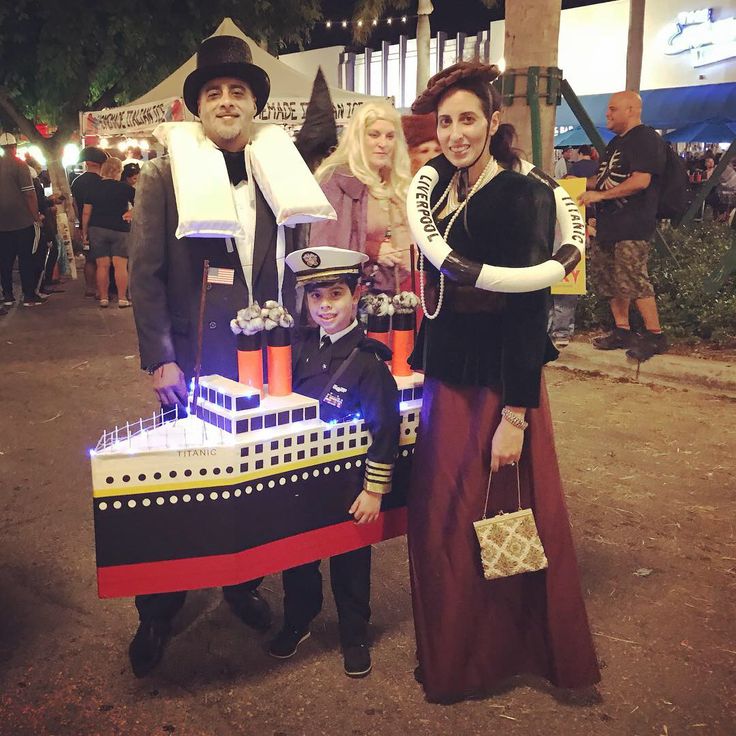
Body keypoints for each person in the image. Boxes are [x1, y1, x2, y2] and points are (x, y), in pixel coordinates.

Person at [406, 61, 600, 704]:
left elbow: (526, 309)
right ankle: (448, 654)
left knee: (486, 517)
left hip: (493, 389)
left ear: (493, 124)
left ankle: (483, 658)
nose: (456, 133)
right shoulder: (439, 191)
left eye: (468, 120)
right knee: (440, 522)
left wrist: (515, 414)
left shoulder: (522, 195)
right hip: (446, 380)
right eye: (446, 122)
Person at [128, 34, 304, 678]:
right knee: (180, 486)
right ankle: (158, 608)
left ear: (254, 103)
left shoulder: (277, 171)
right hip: (192, 359)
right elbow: (144, 274)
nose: (227, 102)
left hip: (264, 357)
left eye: (238, 92)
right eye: (214, 92)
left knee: (251, 477)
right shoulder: (162, 174)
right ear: (197, 106)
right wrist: (161, 359)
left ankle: (241, 583)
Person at [269, 246, 400, 678]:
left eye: (336, 294)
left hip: (348, 487)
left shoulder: (369, 361)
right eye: (315, 297)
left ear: (356, 295)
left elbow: (386, 430)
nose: (325, 306)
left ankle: (354, 632)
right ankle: (298, 619)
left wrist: (374, 490)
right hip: (300, 480)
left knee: (350, 563)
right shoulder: (297, 348)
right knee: (297, 557)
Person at [579, 91, 667, 361]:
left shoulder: (645, 138)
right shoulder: (616, 143)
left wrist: (601, 195)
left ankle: (655, 335)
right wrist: (581, 184)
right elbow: (606, 178)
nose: (607, 113)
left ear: (631, 109)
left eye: (612, 108)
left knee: (632, 277)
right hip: (610, 225)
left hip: (633, 223)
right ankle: (622, 329)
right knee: (609, 277)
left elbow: (641, 180)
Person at [310, 101, 413, 295]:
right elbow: (324, 248)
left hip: (402, 292)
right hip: (356, 297)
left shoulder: (396, 181)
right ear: (358, 138)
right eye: (374, 135)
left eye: (390, 136)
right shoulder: (336, 179)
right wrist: (372, 250)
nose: (383, 143)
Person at [549, 145, 600, 348]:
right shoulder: (593, 169)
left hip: (563, 245)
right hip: (568, 244)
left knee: (560, 292)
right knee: (561, 292)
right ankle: (559, 330)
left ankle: (558, 329)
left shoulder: (574, 172)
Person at [82, 156, 134, 308]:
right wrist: (131, 213)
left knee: (102, 265)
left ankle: (104, 298)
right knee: (120, 266)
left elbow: (86, 213)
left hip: (97, 229)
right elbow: (142, 202)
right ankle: (123, 298)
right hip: (120, 229)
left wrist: (85, 232)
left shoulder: (92, 188)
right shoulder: (126, 188)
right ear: (118, 171)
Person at [0, 133, 44, 307]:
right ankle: (29, 295)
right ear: (14, 147)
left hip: (2, 223)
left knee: (5, 260)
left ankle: (8, 295)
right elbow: (29, 194)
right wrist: (36, 217)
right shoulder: (20, 165)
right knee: (26, 258)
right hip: (22, 221)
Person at [71, 146, 107, 298]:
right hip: (102, 223)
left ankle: (90, 288)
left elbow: (74, 205)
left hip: (85, 224)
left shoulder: (76, 182)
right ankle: (102, 290)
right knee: (103, 260)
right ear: (100, 163)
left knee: (89, 258)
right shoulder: (103, 182)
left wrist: (80, 227)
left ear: (86, 162)